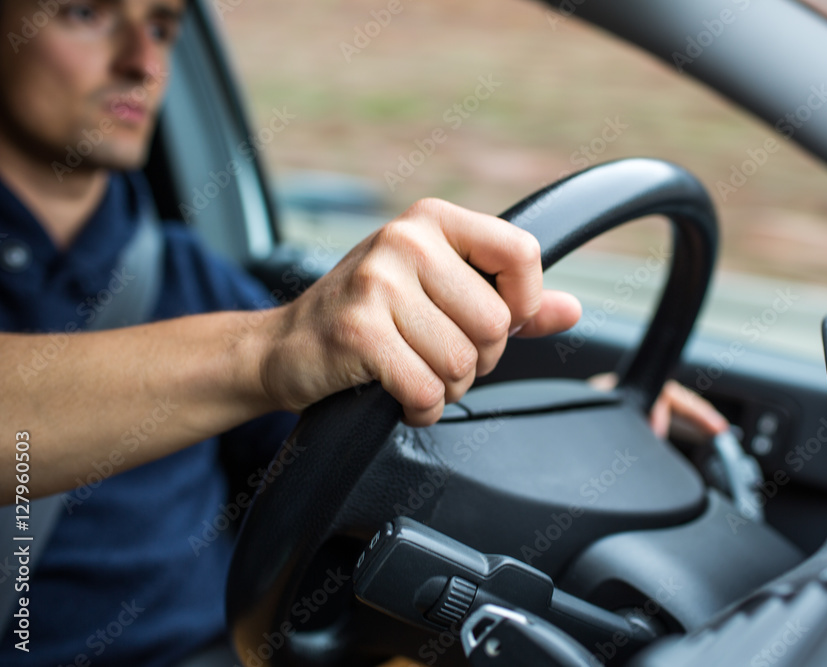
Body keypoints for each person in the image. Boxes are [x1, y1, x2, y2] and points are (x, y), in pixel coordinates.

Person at [0, 0, 728, 664]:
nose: (143, 60)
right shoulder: (233, 322)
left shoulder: (187, 272)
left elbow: (349, 453)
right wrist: (272, 349)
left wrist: (575, 433)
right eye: (86, 11)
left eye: (162, 26)